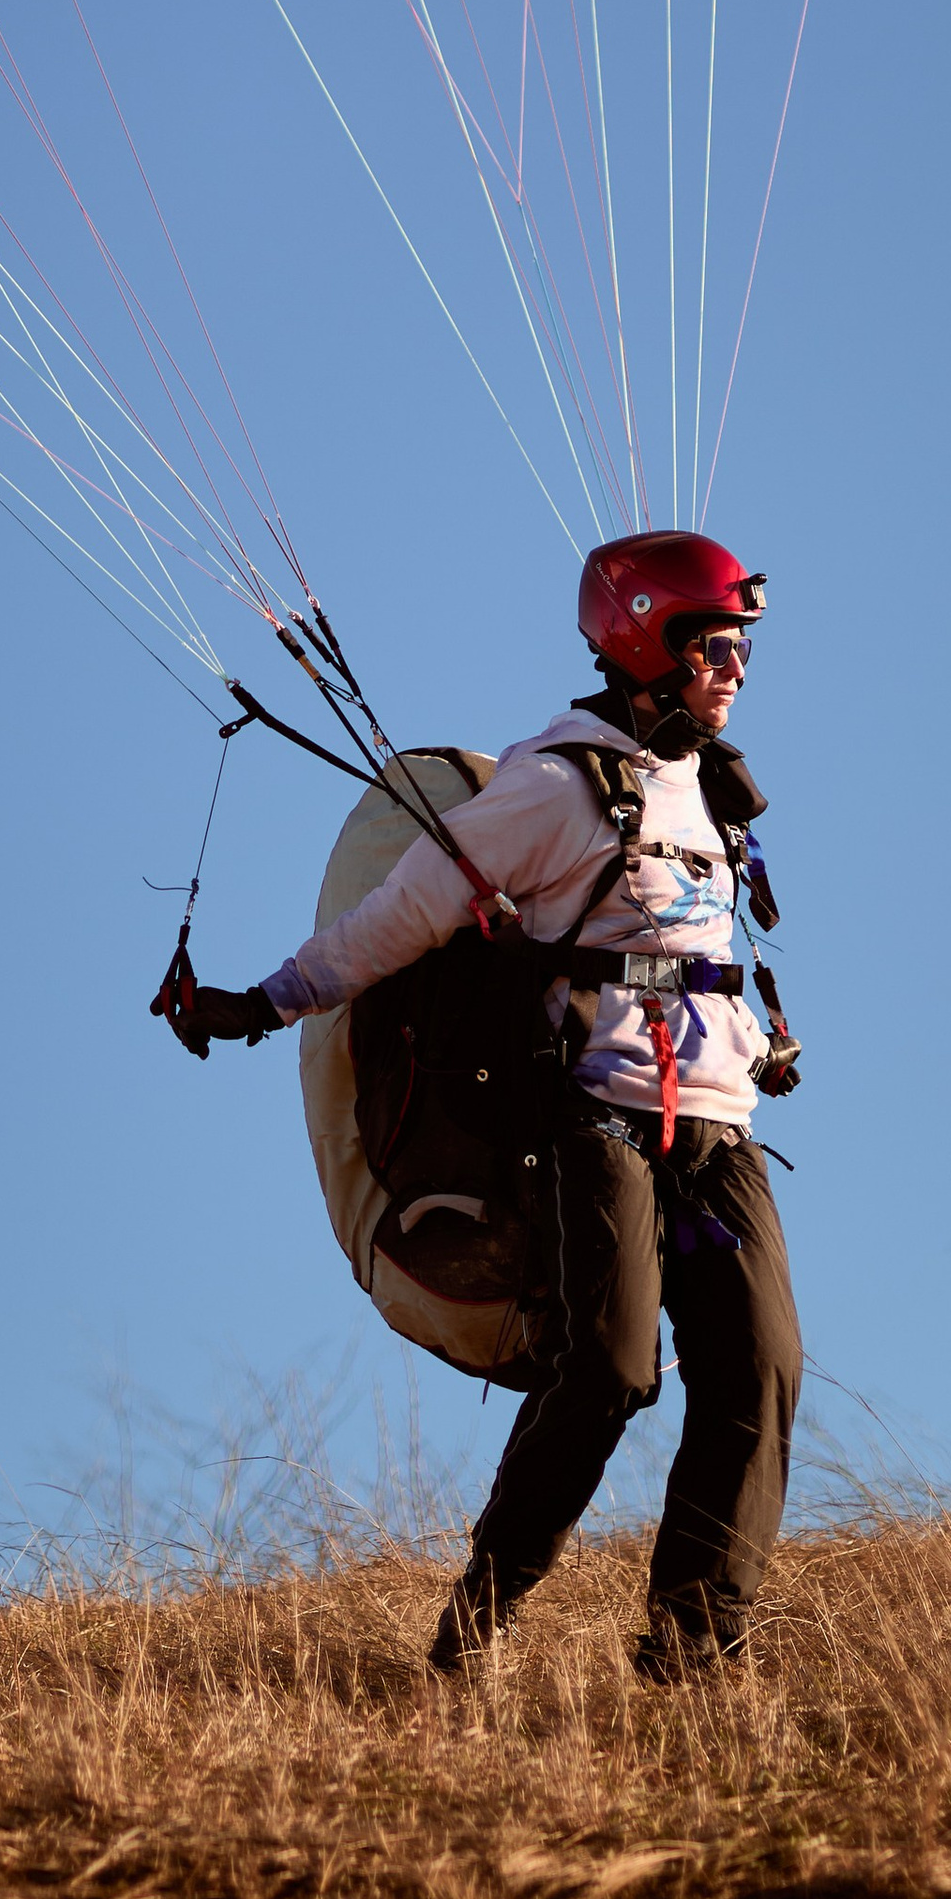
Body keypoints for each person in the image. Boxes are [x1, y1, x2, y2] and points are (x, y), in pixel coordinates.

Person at [174, 531, 803, 1677]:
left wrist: (760, 1045)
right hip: (597, 1114)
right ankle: (481, 1611)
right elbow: (401, 914)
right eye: (716, 645)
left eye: (744, 649)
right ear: (646, 641)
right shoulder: (555, 786)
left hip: (719, 1126)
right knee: (611, 1368)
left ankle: (695, 1640)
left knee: (760, 1367)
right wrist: (267, 1002)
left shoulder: (709, 791)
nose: (737, 669)